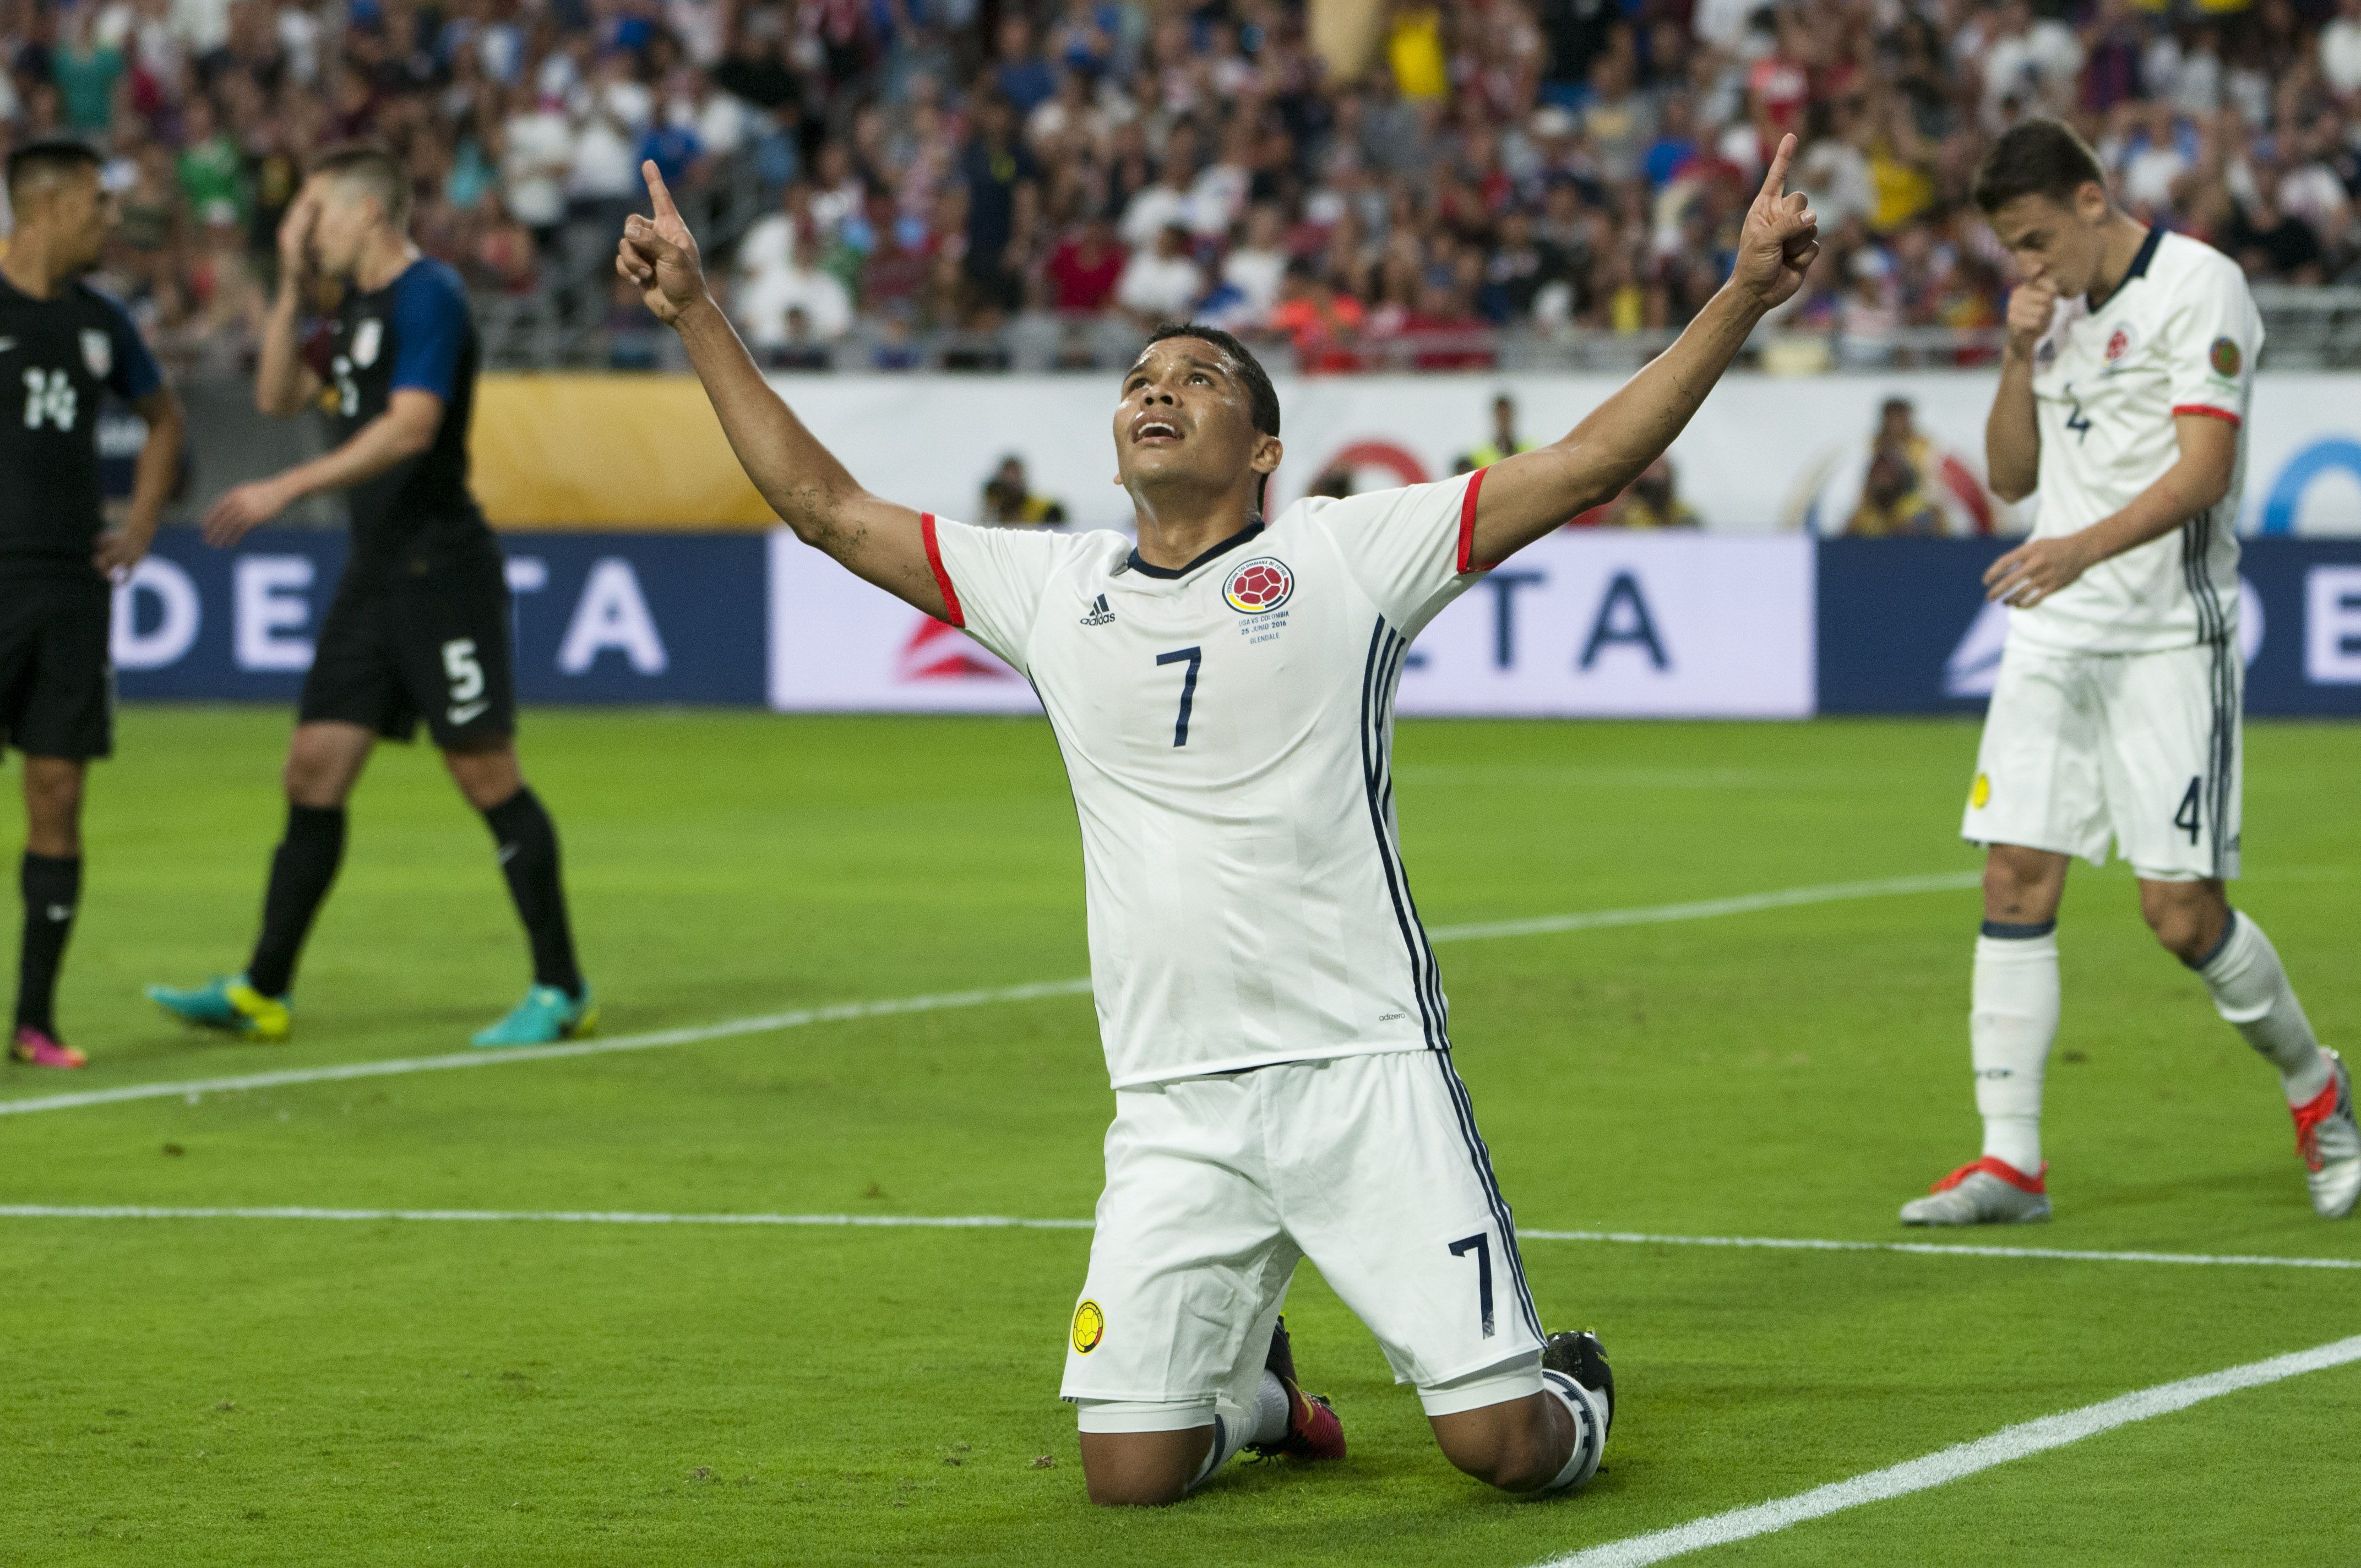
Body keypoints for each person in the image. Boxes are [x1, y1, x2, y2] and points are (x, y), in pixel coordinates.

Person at [616, 140, 1819, 1504]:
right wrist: (696, 314)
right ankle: (1260, 1395)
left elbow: (1592, 460)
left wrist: (1737, 298)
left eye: (1196, 377)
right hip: (1172, 1094)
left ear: (1262, 448)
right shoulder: (1049, 587)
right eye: (1138, 378)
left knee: (1501, 1451)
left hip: (1358, 1065)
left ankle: (1569, 1374)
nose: (1155, 390)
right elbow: (826, 509)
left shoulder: (1343, 557)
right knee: (1128, 1472)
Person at [1905, 119, 2357, 1228]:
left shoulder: (2200, 287)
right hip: (2052, 636)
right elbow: (2011, 477)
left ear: (2090, 200)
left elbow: (2204, 472)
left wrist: (2074, 550)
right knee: (2012, 876)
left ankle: (2318, 1090)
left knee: (2179, 913)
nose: (2027, 265)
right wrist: (2015, 350)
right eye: (2010, 249)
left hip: (2166, 633)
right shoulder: (2047, 316)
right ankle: (2008, 1160)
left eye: (2034, 239)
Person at [146, 145, 596, 1050]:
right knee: (312, 767)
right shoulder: (344, 308)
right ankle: (262, 989)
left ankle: (560, 986)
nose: (305, 226)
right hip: (374, 574)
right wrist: (285, 287)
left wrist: (287, 488)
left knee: (483, 773)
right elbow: (276, 393)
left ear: (367, 213)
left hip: (443, 572)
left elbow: (413, 426)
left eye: (315, 210)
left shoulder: (428, 294)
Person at [0, 141, 184, 1069]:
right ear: (50, 206)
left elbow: (164, 424)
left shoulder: (102, 322)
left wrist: (141, 522)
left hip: (71, 587)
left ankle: (34, 1018)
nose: (113, 222)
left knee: (59, 795)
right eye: (99, 205)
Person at [981, 456, 1068, 525]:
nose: (1011, 486)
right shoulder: (995, 510)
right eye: (1007, 485)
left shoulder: (1048, 510)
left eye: (1015, 482)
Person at [1460, 394, 1532, 471]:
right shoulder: (1477, 458)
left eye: (1506, 416)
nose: (1504, 421)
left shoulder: (1531, 451)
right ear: (1494, 418)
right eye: (1500, 417)